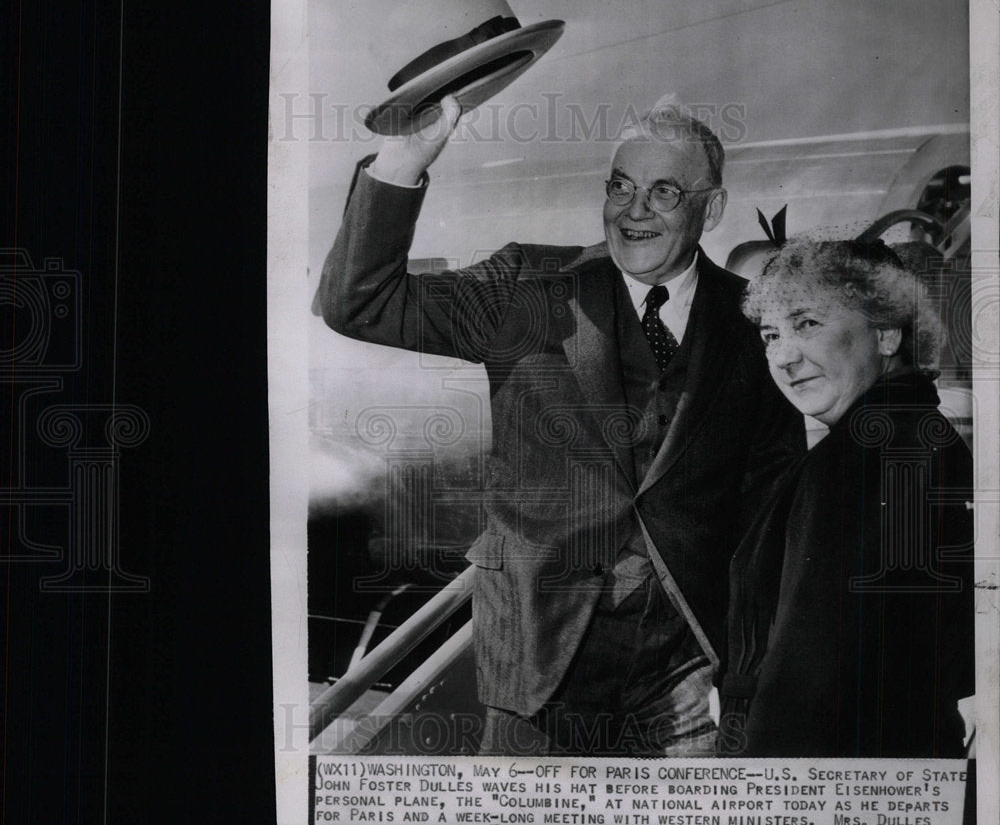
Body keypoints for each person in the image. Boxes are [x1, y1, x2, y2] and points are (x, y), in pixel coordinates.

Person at [316, 95, 804, 755]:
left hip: (687, 666)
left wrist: (746, 672)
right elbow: (360, 303)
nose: (635, 210)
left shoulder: (752, 324)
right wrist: (405, 157)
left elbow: (769, 511)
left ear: (710, 208)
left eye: (664, 192)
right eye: (621, 187)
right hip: (538, 649)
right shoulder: (529, 284)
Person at [718, 239, 975, 757]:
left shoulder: (860, 453)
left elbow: (807, 672)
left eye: (807, 324)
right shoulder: (922, 432)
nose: (784, 357)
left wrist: (760, 797)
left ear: (886, 334)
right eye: (771, 335)